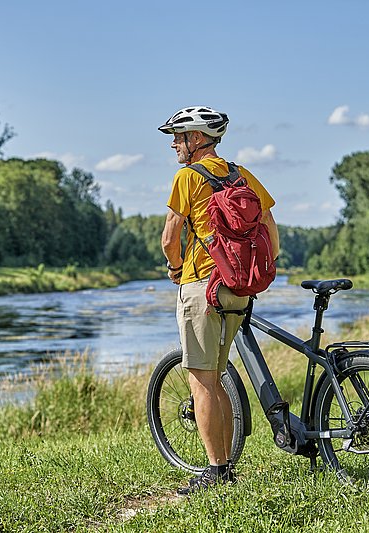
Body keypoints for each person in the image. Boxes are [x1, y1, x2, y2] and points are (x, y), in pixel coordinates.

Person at [159, 106, 279, 495]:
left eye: (178, 136)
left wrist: (176, 269)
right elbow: (270, 227)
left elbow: (168, 238)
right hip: (238, 288)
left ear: (197, 138)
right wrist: (263, 267)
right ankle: (225, 465)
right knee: (218, 376)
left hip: (201, 288)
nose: (175, 144)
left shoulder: (187, 177)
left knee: (202, 381)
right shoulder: (240, 175)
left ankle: (216, 471)